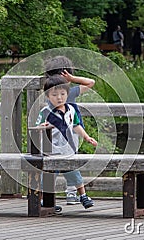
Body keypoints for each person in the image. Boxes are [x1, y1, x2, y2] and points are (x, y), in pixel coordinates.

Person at [36, 75, 98, 209]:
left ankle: (83, 195)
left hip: (68, 149)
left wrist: (86, 137)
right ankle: (42, 200)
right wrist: (42, 127)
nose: (59, 98)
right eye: (55, 95)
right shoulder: (45, 112)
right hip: (52, 151)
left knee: (74, 172)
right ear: (47, 96)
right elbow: (36, 127)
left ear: (67, 94)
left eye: (62, 94)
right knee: (48, 176)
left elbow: (76, 125)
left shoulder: (71, 110)